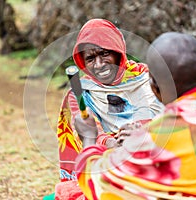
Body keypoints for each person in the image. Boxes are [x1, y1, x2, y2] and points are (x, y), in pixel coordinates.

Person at [74, 32, 196, 199]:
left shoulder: (156, 139)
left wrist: (89, 139)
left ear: (154, 87)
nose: (99, 64)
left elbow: (99, 186)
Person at [57, 18, 163, 183]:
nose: (99, 65)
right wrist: (116, 145)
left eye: (104, 54)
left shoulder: (146, 76)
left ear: (118, 52)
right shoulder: (80, 93)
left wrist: (143, 133)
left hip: (157, 161)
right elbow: (90, 134)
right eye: (90, 59)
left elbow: (171, 118)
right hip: (109, 168)